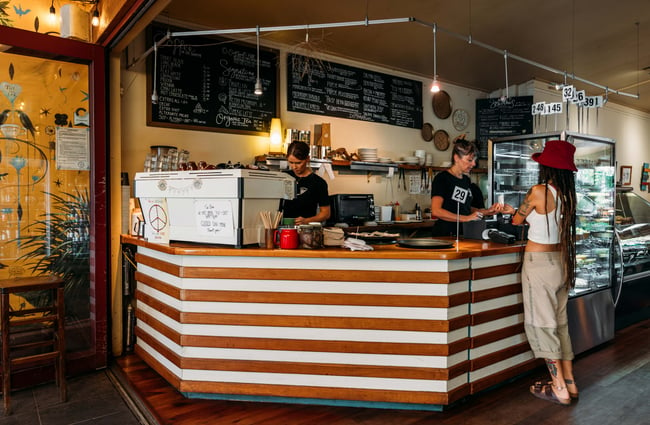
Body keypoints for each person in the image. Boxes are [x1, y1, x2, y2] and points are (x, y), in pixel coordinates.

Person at [501, 139, 579, 406]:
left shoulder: (538, 191)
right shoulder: (569, 194)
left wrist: (516, 211)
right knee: (560, 323)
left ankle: (558, 388)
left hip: (539, 264)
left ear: (546, 166)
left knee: (542, 323)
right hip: (561, 261)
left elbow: (516, 221)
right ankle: (569, 382)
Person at [430, 139, 501, 236]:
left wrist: (487, 212)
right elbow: (436, 210)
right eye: (469, 160)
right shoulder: (442, 179)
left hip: (464, 232)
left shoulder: (465, 180)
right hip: (445, 234)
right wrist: (466, 218)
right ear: (456, 158)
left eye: (474, 160)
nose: (474, 164)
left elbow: (464, 207)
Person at [280, 141, 331, 225]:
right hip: (284, 228)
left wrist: (306, 221)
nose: (294, 167)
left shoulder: (318, 183)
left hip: (306, 230)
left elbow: (326, 213)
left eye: (298, 163)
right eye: (291, 162)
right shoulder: (283, 177)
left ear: (307, 159)